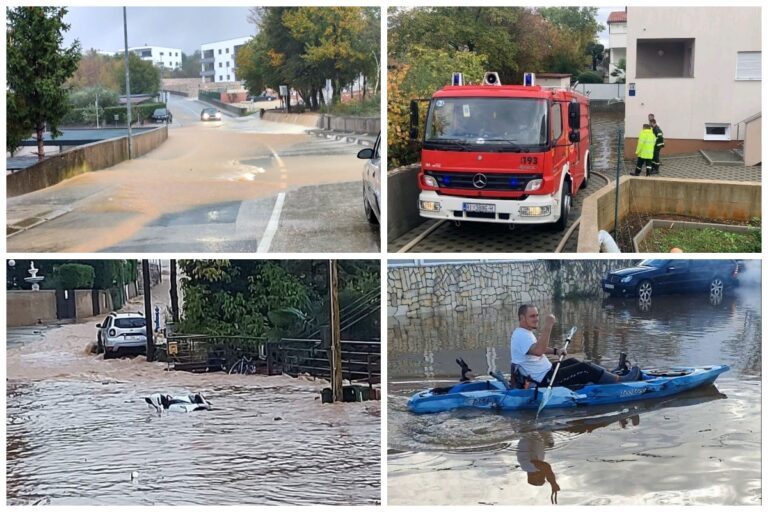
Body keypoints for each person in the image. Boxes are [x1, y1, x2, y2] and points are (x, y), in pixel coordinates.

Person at [510, 304, 641, 388]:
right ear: (522, 318)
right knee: (584, 368)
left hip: (547, 371)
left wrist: (556, 351)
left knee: (574, 361)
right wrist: (548, 326)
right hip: (545, 380)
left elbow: (536, 348)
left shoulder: (524, 333)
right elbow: (538, 350)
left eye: (537, 315)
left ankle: (608, 376)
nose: (536, 318)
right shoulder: (520, 335)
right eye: (532, 316)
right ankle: (621, 381)